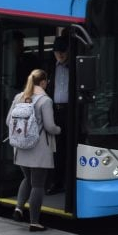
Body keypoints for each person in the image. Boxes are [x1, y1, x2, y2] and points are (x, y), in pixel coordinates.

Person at [9, 69, 60, 232]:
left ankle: (18, 208)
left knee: (27, 178)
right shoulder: (45, 101)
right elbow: (50, 126)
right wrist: (59, 130)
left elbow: (7, 121)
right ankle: (34, 222)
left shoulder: (19, 97)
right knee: (38, 185)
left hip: (20, 148)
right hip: (38, 150)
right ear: (44, 82)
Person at [48, 35, 71, 193]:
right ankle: (56, 182)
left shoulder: (74, 67)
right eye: (57, 52)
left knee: (68, 148)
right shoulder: (50, 67)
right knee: (56, 149)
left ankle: (67, 181)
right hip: (55, 111)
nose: (60, 55)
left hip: (70, 112)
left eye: (63, 51)